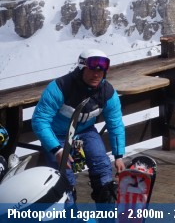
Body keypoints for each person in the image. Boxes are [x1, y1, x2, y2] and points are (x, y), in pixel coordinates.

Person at [31, 48, 126, 205]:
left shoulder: (107, 92)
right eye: (92, 70)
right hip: (57, 136)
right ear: (82, 68)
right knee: (63, 176)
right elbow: (40, 120)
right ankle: (69, 208)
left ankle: (106, 208)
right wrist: (56, 149)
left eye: (100, 71)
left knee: (102, 167)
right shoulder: (60, 87)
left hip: (86, 131)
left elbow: (115, 123)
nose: (96, 75)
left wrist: (119, 155)